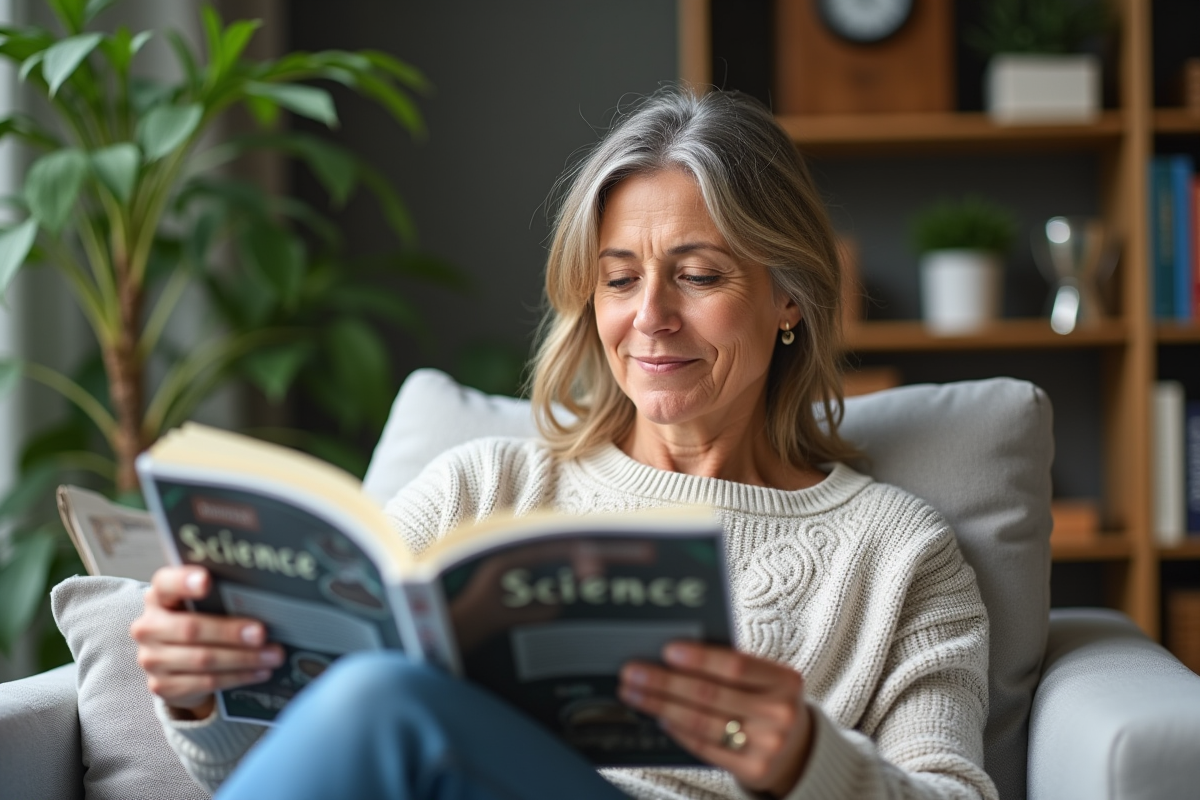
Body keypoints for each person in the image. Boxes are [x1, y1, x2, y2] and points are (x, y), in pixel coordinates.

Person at [131, 88, 996, 800]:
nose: (649, 316)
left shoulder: (899, 553)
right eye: (620, 278)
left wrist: (807, 758)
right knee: (370, 700)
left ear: (789, 301)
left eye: (698, 275)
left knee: (380, 700)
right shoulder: (484, 487)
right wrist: (205, 697)